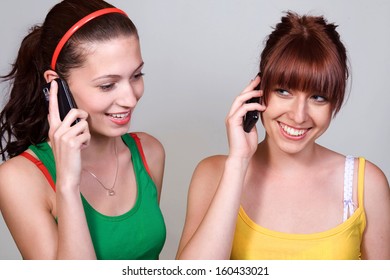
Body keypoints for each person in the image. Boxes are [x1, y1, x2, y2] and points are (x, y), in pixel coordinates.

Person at [176, 11, 390, 260]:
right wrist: (238, 163)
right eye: (284, 91)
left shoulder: (365, 185)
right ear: (258, 90)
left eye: (318, 97)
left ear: (334, 103)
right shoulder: (213, 174)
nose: (299, 116)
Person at [0, 0, 166, 260]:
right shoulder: (19, 179)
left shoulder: (149, 152)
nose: (131, 99)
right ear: (56, 86)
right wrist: (67, 184)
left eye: (136, 75)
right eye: (107, 85)